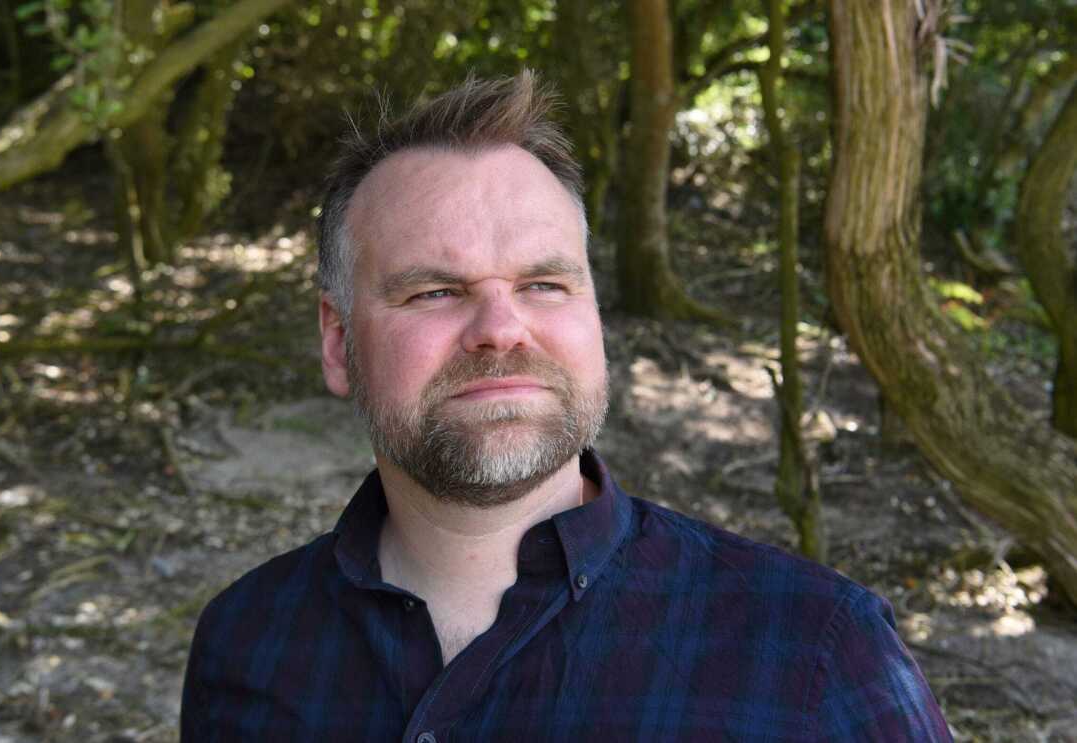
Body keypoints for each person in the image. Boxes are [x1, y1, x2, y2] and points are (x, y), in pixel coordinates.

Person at [180, 72, 952, 742]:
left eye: (543, 284)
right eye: (435, 291)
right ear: (336, 339)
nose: (499, 330)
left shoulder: (818, 655)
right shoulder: (246, 642)